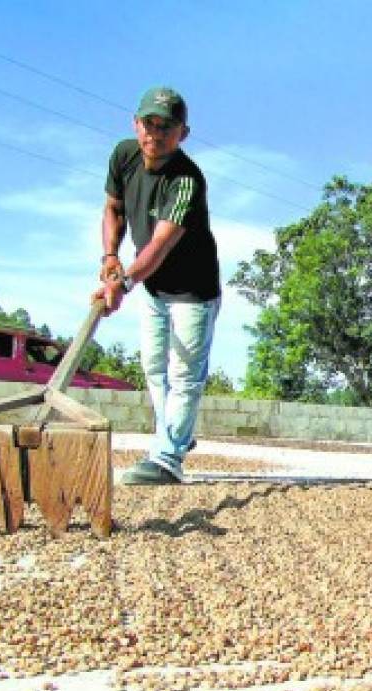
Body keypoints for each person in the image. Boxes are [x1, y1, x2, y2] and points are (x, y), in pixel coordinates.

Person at [93, 85, 221, 486]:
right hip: (152, 288)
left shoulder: (187, 180)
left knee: (184, 373)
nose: (155, 134)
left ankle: (168, 458)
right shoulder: (123, 155)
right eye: (148, 124)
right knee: (153, 367)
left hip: (193, 292)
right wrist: (110, 258)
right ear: (136, 124)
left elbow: (159, 245)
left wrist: (124, 282)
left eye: (166, 127)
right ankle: (176, 433)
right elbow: (112, 208)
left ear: (183, 132)